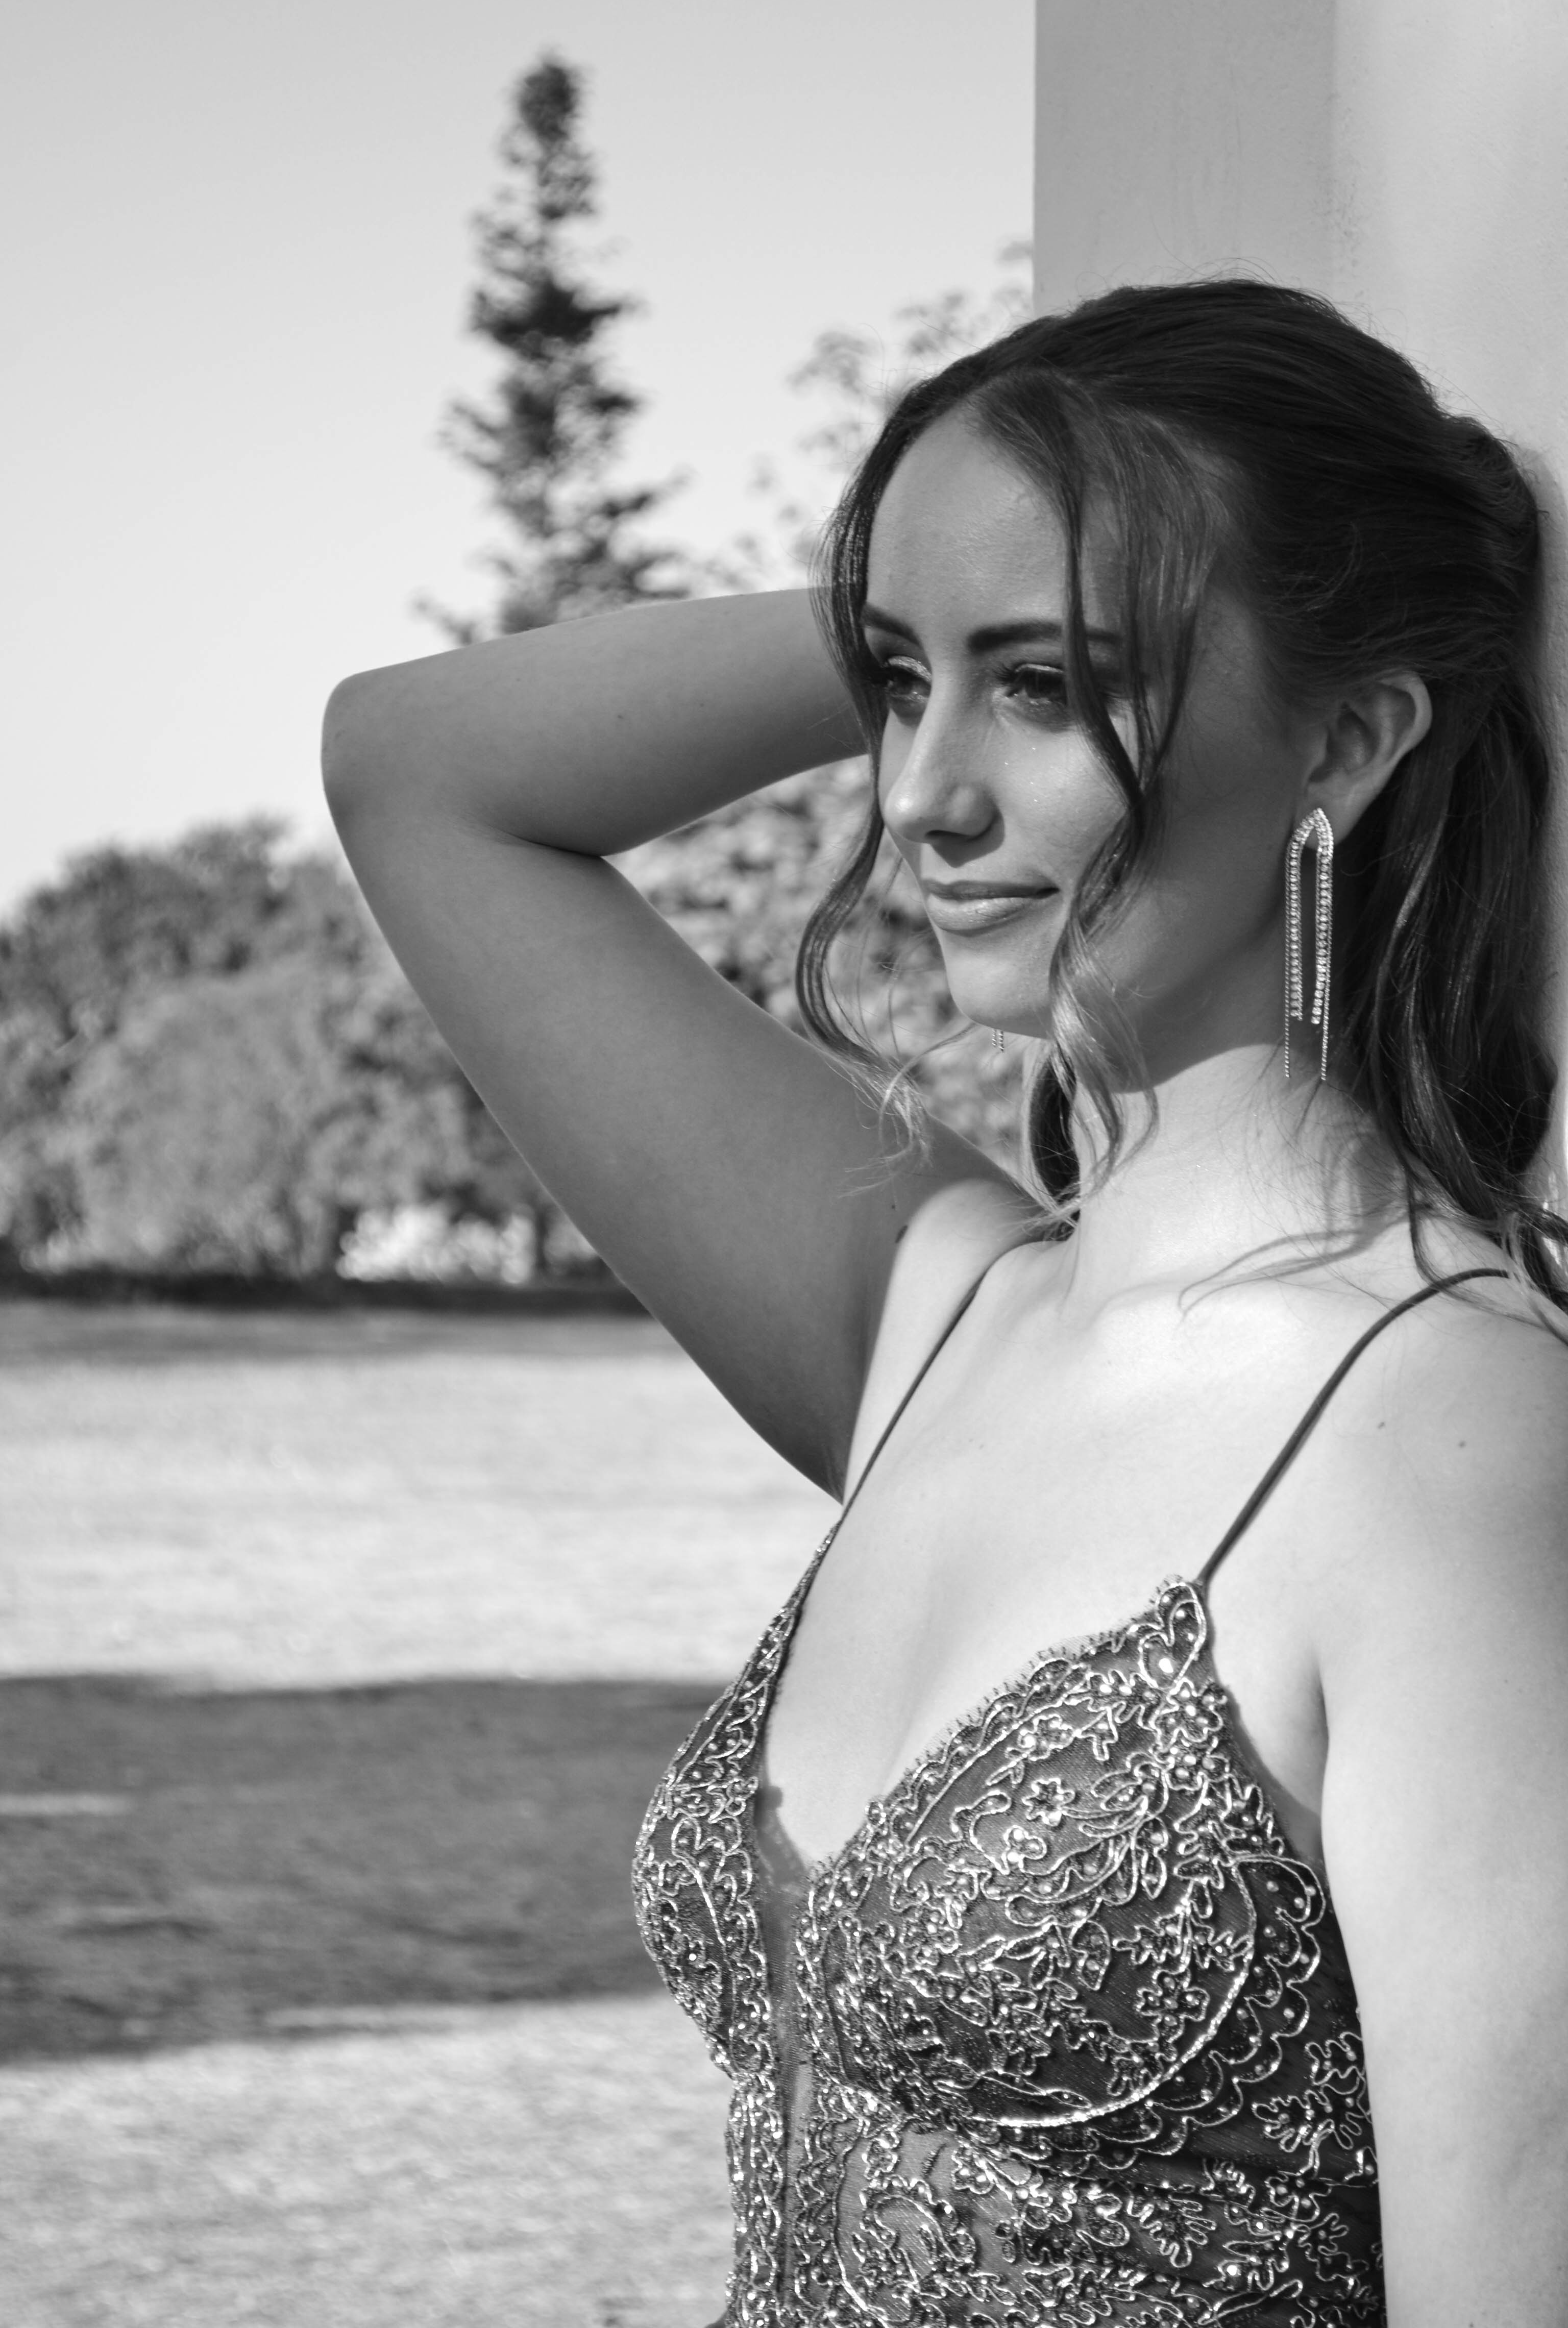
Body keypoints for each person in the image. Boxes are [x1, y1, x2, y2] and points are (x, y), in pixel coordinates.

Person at [323, 280, 1568, 2324]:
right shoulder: (943, 1318)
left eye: (1050, 689)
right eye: (904, 683)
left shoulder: (1457, 1440)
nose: (916, 795)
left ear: (1347, 741)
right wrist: (946, 579)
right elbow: (415, 766)